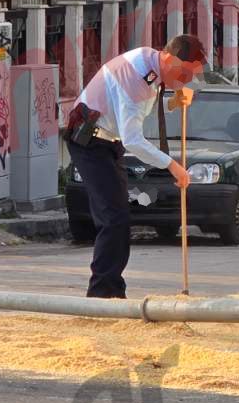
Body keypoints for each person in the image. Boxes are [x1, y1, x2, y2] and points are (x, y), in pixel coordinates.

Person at [66, 34, 206, 298]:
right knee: (113, 219)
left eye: (191, 76)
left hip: (107, 142)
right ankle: (102, 295)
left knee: (118, 218)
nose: (187, 80)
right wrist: (172, 166)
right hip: (89, 142)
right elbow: (134, 141)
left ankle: (112, 289)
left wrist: (177, 96)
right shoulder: (135, 81)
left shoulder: (149, 60)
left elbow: (156, 88)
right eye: (185, 74)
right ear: (169, 58)